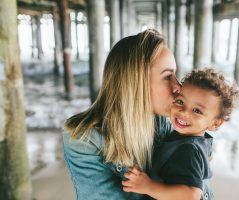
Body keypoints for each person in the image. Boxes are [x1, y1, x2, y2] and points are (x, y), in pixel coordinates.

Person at [62, 29, 181, 200]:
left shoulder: (161, 120)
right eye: (168, 76)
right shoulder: (83, 138)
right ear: (135, 83)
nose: (178, 86)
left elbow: (195, 188)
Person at [122, 68, 239, 200]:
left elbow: (191, 195)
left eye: (197, 110)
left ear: (215, 124)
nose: (183, 112)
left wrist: (148, 186)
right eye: (180, 102)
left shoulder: (189, 150)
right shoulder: (192, 141)